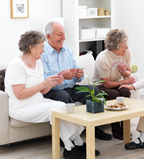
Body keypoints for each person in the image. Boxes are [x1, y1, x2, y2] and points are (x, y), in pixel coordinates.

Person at [5, 30, 100, 159]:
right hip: (21, 108)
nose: (44, 50)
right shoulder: (16, 65)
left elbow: (43, 91)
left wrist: (53, 82)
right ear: (31, 48)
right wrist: (44, 84)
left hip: (38, 102)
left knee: (65, 107)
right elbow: (20, 94)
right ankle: (69, 148)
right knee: (56, 109)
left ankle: (78, 142)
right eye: (42, 47)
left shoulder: (37, 62)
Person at [41, 21, 112, 141]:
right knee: (63, 96)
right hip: (53, 90)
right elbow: (44, 79)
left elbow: (77, 71)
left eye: (64, 34)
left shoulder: (68, 51)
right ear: (48, 36)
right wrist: (62, 75)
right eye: (60, 34)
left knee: (94, 90)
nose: (63, 37)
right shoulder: (42, 53)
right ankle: (67, 138)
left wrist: (79, 74)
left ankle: (95, 128)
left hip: (71, 88)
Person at [92, 29, 136, 140]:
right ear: (114, 47)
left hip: (116, 81)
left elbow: (128, 73)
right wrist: (125, 81)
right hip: (100, 86)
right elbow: (106, 84)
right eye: (124, 45)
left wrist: (123, 72)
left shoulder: (127, 52)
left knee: (125, 91)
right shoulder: (103, 58)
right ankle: (116, 129)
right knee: (114, 94)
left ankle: (125, 128)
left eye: (127, 44)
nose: (126, 47)